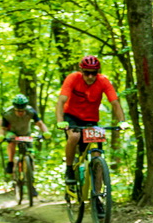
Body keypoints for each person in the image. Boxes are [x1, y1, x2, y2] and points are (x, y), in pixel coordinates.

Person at [55, 56, 128, 184]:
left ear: (97, 72)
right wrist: (60, 120)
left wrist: (122, 121)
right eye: (87, 73)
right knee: (74, 136)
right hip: (71, 116)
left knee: (96, 154)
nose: (90, 76)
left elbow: (115, 103)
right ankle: (69, 169)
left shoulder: (103, 81)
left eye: (93, 73)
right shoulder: (73, 78)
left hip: (91, 119)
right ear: (81, 71)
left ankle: (98, 192)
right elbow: (61, 101)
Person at [0, 95, 52, 190]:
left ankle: (31, 182)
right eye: (18, 111)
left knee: (31, 156)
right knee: (12, 140)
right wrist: (1, 136)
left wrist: (46, 132)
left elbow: (40, 123)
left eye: (22, 111)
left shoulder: (30, 111)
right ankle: (10, 163)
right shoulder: (8, 113)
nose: (20, 113)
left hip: (26, 134)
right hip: (13, 132)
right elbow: (3, 128)